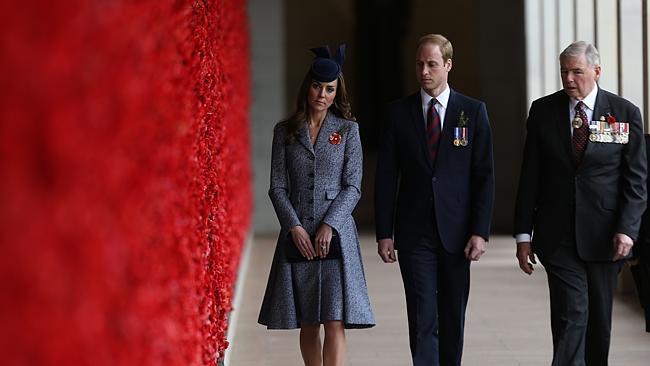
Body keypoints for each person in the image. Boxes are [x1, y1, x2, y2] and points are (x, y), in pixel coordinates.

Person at [514, 41, 647, 365]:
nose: (569, 79)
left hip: (605, 236)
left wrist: (628, 231)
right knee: (572, 312)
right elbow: (530, 175)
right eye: (564, 72)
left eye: (577, 71)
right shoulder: (543, 111)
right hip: (556, 235)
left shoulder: (624, 113)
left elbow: (636, 181)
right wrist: (523, 235)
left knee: (598, 322)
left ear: (596, 71)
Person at [374, 33, 495, 365]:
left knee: (452, 313)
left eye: (431, 64)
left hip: (457, 233)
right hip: (414, 233)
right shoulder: (398, 114)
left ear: (448, 65)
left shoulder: (472, 112)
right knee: (422, 311)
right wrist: (385, 232)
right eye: (419, 64)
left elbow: (484, 177)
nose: (424, 71)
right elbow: (386, 177)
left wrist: (480, 231)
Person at [258, 44, 375, 366]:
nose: (321, 94)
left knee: (335, 320)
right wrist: (293, 226)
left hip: (336, 235)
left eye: (329, 89)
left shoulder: (348, 130)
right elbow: (277, 186)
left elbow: (353, 186)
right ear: (306, 87)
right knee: (309, 320)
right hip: (299, 233)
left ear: (337, 93)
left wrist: (329, 224)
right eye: (317, 86)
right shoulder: (285, 131)